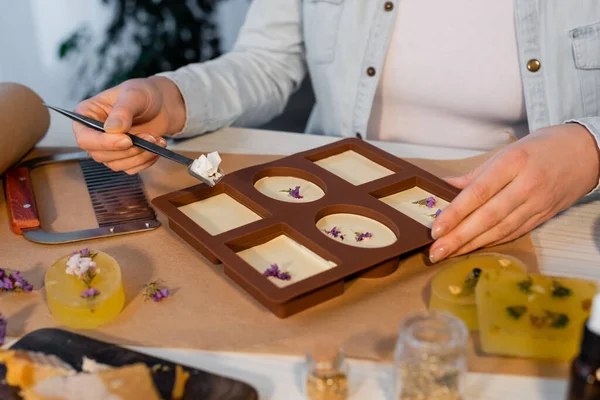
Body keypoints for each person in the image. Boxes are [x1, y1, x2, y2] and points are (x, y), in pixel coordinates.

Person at [72, 0, 600, 264]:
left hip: (541, 222)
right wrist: (172, 98)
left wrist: (589, 147)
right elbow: (267, 61)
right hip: (327, 208)